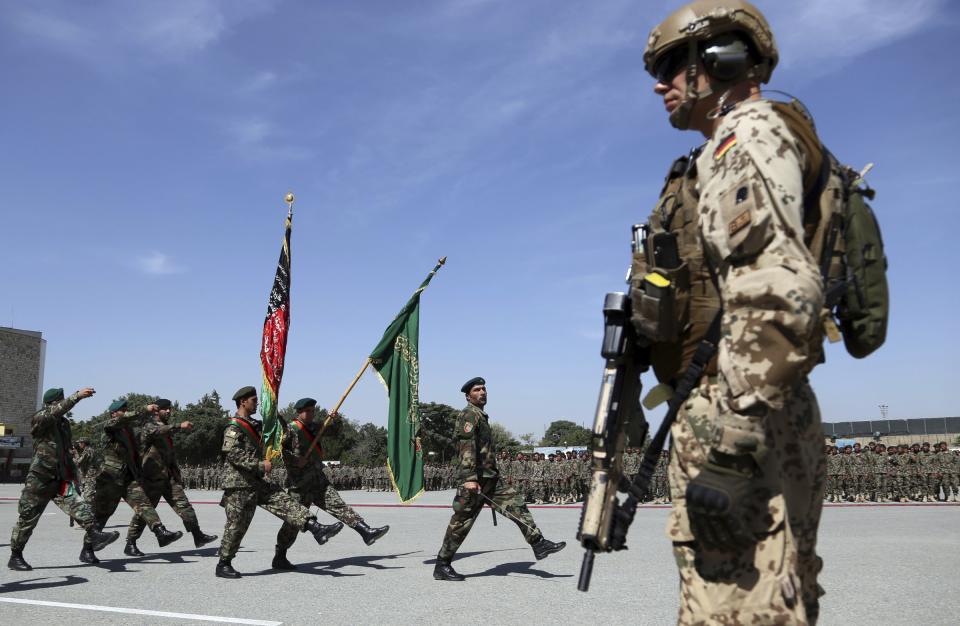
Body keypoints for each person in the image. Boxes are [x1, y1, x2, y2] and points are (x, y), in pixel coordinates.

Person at [636, 1, 827, 622]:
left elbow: (776, 286)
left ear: (721, 59)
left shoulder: (746, 137)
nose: (660, 85)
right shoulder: (711, 156)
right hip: (723, 411)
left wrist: (736, 444)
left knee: (744, 608)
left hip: (742, 419)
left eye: (671, 65)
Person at [433, 377, 565, 581]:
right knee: (461, 523)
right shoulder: (469, 414)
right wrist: (469, 477)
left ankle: (538, 543)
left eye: (484, 389)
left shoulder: (481, 415)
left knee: (517, 504)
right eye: (477, 390)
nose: (483, 392)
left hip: (491, 479)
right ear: (469, 396)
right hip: (475, 480)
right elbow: (466, 446)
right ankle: (442, 565)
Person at [215, 386, 343, 578]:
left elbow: (275, 430)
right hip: (239, 483)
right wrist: (260, 465)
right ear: (243, 402)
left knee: (286, 503)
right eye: (253, 400)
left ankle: (317, 528)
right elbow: (232, 454)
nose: (256, 403)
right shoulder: (234, 427)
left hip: (259, 481)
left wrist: (276, 413)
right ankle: (223, 564)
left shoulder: (254, 424)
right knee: (237, 526)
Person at [8, 387, 119, 571]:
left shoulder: (63, 424)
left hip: (61, 478)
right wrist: (77, 397)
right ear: (53, 403)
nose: (63, 404)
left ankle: (95, 535)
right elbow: (55, 411)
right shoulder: (41, 418)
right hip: (40, 479)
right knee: (28, 518)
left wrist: (73, 476)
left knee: (79, 505)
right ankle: (15, 555)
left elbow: (67, 452)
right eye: (61, 400)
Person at [272, 398, 390, 569]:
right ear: (299, 412)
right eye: (308, 411)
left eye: (313, 411)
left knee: (338, 505)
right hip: (299, 483)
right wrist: (294, 460)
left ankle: (366, 531)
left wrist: (335, 419)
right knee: (293, 522)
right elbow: (278, 449)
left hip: (318, 479)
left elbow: (335, 432)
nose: (312, 414)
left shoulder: (314, 427)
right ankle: (280, 556)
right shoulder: (290, 429)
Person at [90, 398, 183, 563]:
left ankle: (160, 532)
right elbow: (123, 419)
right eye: (122, 410)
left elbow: (134, 452)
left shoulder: (128, 431)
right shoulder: (111, 426)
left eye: (127, 409)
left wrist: (138, 472)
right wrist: (144, 409)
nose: (125, 412)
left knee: (144, 504)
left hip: (128, 477)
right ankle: (87, 549)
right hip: (111, 478)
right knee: (102, 515)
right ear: (114, 413)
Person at [124, 398, 218, 556]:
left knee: (185, 506)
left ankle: (198, 535)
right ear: (156, 411)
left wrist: (175, 472)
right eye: (164, 409)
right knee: (145, 511)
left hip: (168, 478)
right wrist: (179, 426)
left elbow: (169, 454)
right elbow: (158, 431)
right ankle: (130, 543)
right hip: (151, 478)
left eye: (169, 408)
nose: (168, 411)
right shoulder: (149, 426)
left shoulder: (166, 430)